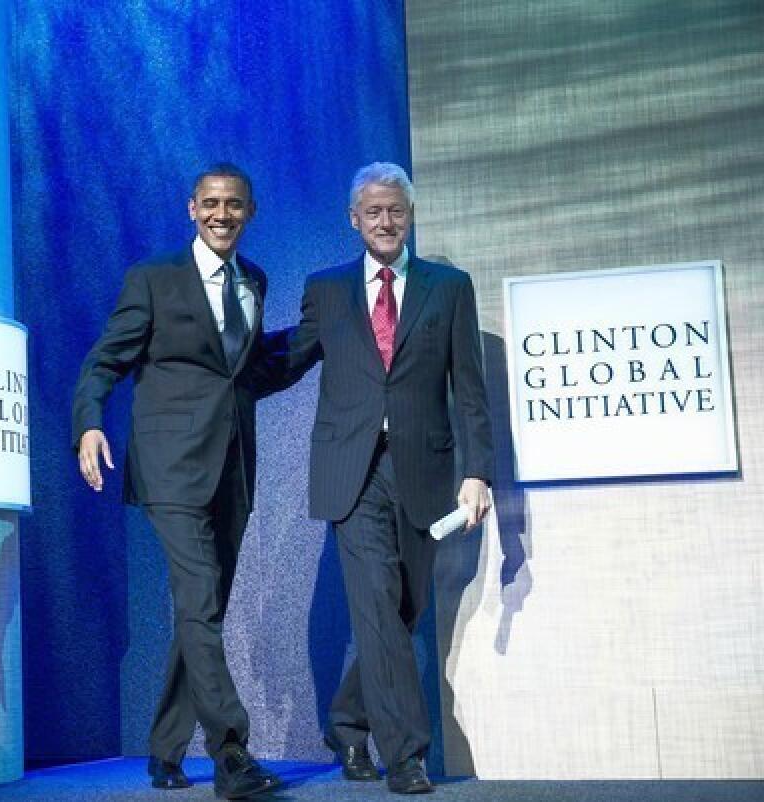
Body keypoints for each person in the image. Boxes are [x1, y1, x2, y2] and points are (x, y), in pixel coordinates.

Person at [273, 162, 494, 794]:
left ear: (410, 214)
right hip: (354, 472)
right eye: (373, 212)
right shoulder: (328, 290)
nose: (385, 222)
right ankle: (406, 755)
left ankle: (348, 722)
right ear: (354, 219)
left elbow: (470, 390)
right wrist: (217, 371)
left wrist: (477, 471)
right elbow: (287, 360)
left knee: (402, 610)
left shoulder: (449, 288)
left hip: (425, 472)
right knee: (374, 603)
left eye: (395, 210)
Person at [71, 163, 283, 799]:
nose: (223, 214)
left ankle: (165, 748)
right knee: (199, 601)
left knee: (202, 612)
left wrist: (326, 340)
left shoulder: (256, 281)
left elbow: (243, 375)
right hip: (169, 468)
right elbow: (104, 361)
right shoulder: (153, 279)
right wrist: (88, 425)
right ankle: (231, 754)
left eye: (235, 205)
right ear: (192, 208)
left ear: (250, 212)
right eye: (211, 203)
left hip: (234, 469)